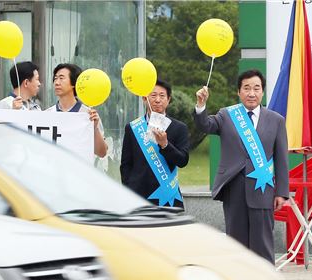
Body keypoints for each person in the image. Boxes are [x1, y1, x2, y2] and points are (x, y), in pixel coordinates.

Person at [193, 69, 289, 263]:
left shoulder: (276, 120)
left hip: (263, 188)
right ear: (239, 92)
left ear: (262, 92)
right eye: (246, 88)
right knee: (236, 243)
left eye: (256, 88)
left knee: (262, 242)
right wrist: (201, 106)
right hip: (234, 187)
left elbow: (281, 158)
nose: (251, 93)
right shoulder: (227, 115)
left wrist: (282, 192)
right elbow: (205, 125)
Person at [120, 79, 189, 208]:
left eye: (162, 96)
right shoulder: (132, 127)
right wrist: (128, 190)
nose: (157, 100)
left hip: (167, 195)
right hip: (138, 196)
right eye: (153, 95)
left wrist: (165, 145)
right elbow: (126, 165)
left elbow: (183, 161)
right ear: (144, 99)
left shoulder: (179, 128)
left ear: (168, 100)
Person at [45, 63, 108, 158]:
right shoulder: (48, 114)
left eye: (61, 78)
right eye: (55, 78)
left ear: (74, 83)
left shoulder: (88, 115)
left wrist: (94, 128)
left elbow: (102, 153)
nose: (57, 82)